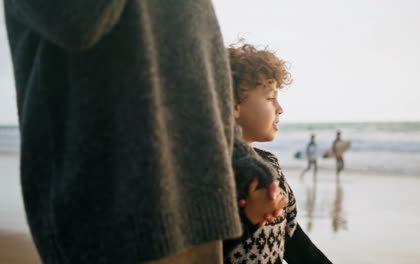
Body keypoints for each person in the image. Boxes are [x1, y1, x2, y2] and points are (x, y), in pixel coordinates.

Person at [3, 1, 280, 263]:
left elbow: (201, 76)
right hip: (109, 216)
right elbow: (77, 20)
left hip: (200, 214)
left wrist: (238, 159)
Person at [223, 43, 332, 264]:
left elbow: (292, 238)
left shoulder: (270, 163)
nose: (280, 108)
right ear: (233, 104)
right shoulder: (215, 170)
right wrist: (249, 218)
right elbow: (198, 252)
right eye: (270, 97)